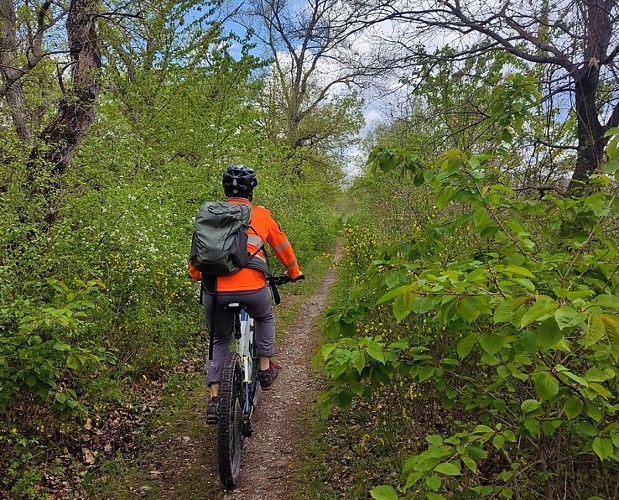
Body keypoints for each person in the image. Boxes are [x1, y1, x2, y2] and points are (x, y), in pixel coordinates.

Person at [188, 164, 303, 423]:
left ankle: (215, 397)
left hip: (215, 290)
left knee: (219, 339)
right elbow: (282, 245)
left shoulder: (210, 214)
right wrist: (294, 272)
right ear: (251, 191)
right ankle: (264, 368)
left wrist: (197, 275)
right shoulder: (261, 215)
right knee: (264, 317)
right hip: (252, 288)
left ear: (225, 190)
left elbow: (199, 252)